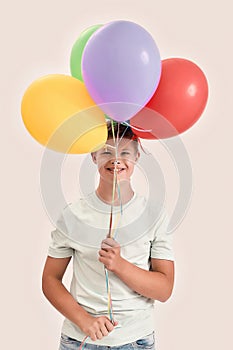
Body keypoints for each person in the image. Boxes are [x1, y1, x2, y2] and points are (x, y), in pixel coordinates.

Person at [42, 121, 175, 350]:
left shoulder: (154, 215)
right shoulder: (73, 215)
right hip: (79, 341)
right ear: (93, 156)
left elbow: (164, 290)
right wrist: (84, 321)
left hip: (136, 340)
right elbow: (50, 280)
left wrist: (120, 265)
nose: (116, 159)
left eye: (125, 152)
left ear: (136, 158)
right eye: (106, 151)